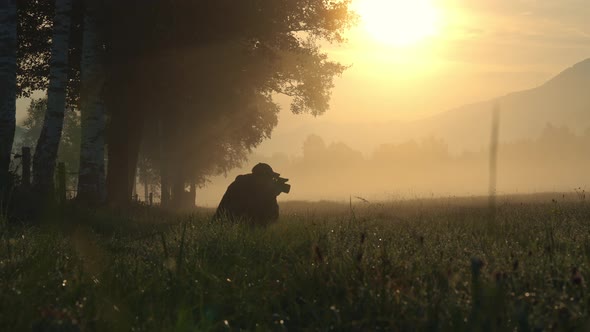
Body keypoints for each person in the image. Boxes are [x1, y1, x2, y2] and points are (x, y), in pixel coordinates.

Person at [213, 163, 290, 225]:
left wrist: (273, 192)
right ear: (262, 176)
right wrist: (272, 193)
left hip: (227, 222)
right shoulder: (256, 188)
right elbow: (272, 216)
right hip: (237, 224)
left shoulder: (240, 183)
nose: (271, 180)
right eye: (270, 178)